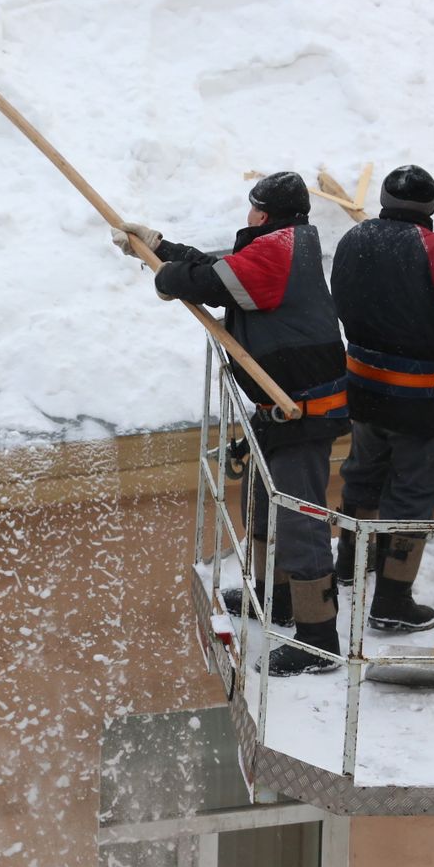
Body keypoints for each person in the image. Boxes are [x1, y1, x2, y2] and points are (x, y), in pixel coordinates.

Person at [111, 172, 349, 676]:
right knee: (265, 502)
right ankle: (276, 596)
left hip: (301, 408)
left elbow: (211, 281)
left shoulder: (279, 250)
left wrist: (167, 275)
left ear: (262, 214)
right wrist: (157, 247)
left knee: (300, 519)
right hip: (281, 406)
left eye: (253, 208)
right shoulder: (286, 243)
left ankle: (318, 638)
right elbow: (225, 269)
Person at [329, 164, 434, 632]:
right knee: (415, 492)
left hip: (360, 384)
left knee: (364, 471)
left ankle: (350, 562)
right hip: (416, 398)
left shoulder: (354, 239)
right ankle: (391, 600)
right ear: (430, 209)